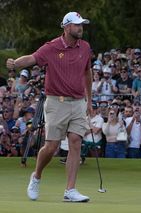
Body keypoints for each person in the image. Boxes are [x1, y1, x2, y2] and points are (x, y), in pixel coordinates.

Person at [6, 12, 92, 202]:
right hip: (56, 102)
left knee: (76, 140)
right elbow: (31, 58)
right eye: (77, 25)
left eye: (82, 25)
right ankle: (36, 176)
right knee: (51, 146)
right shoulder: (52, 47)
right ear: (67, 27)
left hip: (78, 102)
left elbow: (87, 73)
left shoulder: (85, 47)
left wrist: (89, 100)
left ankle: (70, 190)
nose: (81, 28)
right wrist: (15, 63)